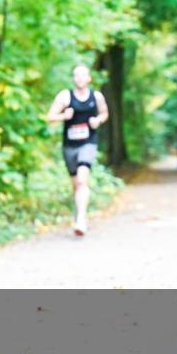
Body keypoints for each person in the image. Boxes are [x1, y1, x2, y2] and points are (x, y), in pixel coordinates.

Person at [45, 65, 109, 236]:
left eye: (83, 75)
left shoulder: (96, 96)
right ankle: (80, 212)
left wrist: (98, 120)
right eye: (76, 75)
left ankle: (81, 220)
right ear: (74, 78)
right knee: (76, 185)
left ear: (89, 78)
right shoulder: (65, 96)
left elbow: (104, 113)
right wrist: (63, 116)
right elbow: (49, 117)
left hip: (88, 143)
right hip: (70, 146)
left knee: (82, 180)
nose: (79, 78)